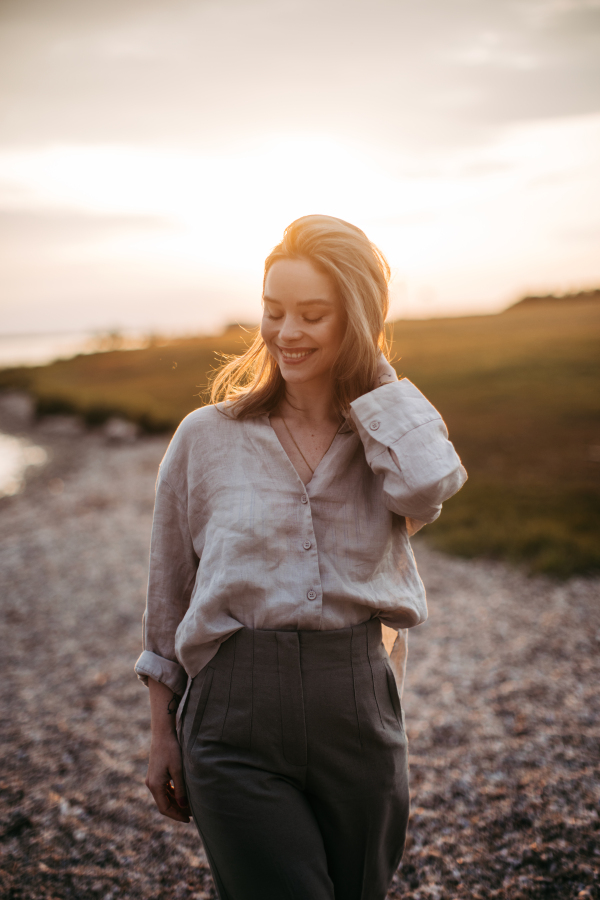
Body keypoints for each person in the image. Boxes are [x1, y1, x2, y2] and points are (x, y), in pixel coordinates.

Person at [135, 214, 467, 900]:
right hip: (233, 715)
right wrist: (161, 733)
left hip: (358, 707)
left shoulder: (382, 442)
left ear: (357, 318)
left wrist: (372, 371)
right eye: (273, 310)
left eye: (313, 314)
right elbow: (169, 589)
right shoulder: (206, 437)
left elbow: (432, 483)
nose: (285, 332)